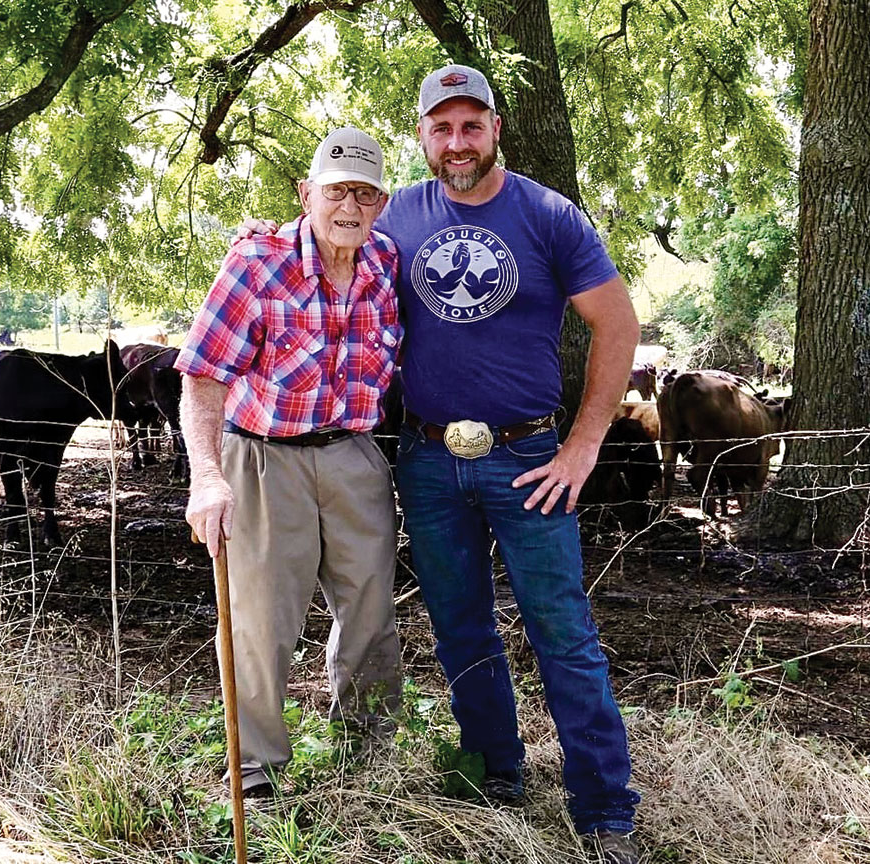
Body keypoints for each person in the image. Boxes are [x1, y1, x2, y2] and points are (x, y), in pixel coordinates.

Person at [239, 65, 642, 862]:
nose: (457, 143)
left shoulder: (551, 215)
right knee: (460, 630)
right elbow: (319, 251)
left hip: (529, 457)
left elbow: (618, 324)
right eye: (441, 128)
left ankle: (603, 808)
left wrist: (584, 444)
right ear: (422, 136)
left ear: (496, 129)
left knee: (562, 632)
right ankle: (496, 771)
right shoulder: (394, 220)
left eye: (472, 125)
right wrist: (262, 240)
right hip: (425, 457)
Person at [178, 126, 404, 797]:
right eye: (336, 191)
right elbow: (202, 377)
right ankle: (255, 772)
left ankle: (368, 755)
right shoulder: (257, 263)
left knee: (371, 611)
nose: (349, 207)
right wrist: (207, 475)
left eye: (365, 194)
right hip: (264, 459)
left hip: (355, 456)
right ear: (307, 194)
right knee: (262, 623)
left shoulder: (385, 261)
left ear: (381, 203)